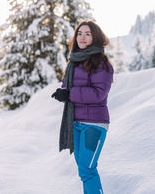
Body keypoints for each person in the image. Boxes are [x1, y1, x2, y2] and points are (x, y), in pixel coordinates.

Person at [51, 21, 114, 194]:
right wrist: (62, 93)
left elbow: (98, 93)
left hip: (94, 124)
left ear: (95, 37)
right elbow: (67, 87)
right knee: (84, 170)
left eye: (88, 34)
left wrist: (70, 94)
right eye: (80, 33)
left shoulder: (101, 63)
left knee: (87, 170)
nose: (82, 37)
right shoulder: (73, 62)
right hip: (76, 123)